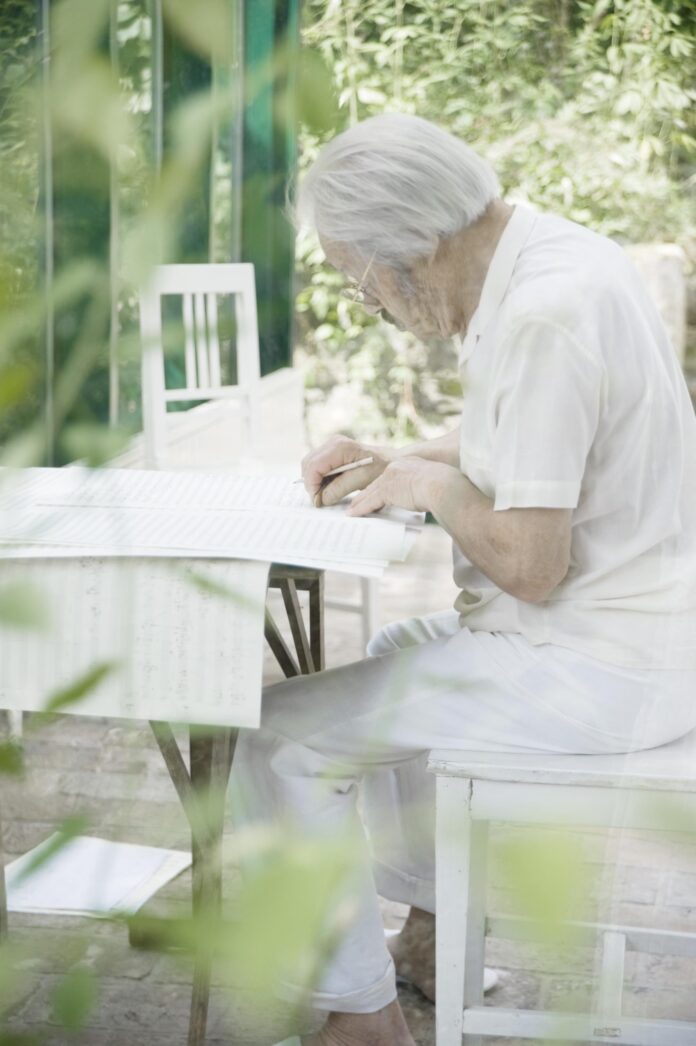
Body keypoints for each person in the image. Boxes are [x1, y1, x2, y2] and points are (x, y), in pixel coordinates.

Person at [228, 113, 696, 1046]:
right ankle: (432, 934)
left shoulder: (542, 316)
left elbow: (530, 566)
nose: (370, 303)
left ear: (416, 244)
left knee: (279, 739)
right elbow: (530, 437)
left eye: (361, 277)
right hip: (647, 637)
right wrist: (398, 455)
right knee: (398, 645)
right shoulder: (558, 255)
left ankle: (361, 1022)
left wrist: (430, 484)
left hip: (601, 667)